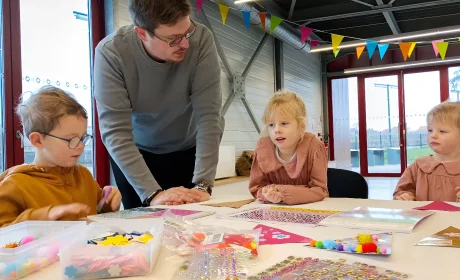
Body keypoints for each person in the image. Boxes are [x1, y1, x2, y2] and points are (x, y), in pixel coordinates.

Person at [93, 0, 224, 209]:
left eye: (187, 32)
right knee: (140, 226)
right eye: (173, 39)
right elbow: (115, 132)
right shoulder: (111, 53)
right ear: (142, 33)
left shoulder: (201, 38)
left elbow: (210, 116)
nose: (185, 44)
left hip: (187, 149)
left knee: (189, 224)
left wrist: (202, 184)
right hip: (137, 153)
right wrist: (151, 193)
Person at [0, 86, 122, 227]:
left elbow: (96, 216)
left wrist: (108, 202)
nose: (81, 146)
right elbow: (4, 235)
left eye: (82, 138)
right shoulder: (15, 185)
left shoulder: (83, 175)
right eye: (71, 140)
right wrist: (44, 217)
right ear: (38, 140)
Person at [394, 101, 460, 203]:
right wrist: (405, 197)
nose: (433, 135)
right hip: (425, 221)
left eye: (442, 131)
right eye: (430, 130)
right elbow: (401, 192)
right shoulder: (417, 167)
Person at [249, 91, 329, 205]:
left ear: (301, 126)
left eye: (284, 123)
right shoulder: (262, 148)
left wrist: (282, 194)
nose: (276, 130)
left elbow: (320, 190)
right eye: (271, 125)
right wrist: (267, 194)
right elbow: (256, 188)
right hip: (274, 212)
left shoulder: (315, 148)